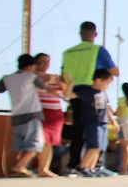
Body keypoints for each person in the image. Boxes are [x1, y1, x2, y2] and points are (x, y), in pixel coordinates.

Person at [61, 21, 119, 174]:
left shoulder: (68, 52)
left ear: (80, 33)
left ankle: (74, 166)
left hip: (74, 91)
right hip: (92, 90)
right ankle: (96, 166)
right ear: (95, 34)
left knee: (78, 130)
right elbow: (114, 71)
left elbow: (63, 74)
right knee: (97, 131)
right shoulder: (97, 50)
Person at [0, 54, 49, 177]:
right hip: (32, 114)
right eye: (34, 65)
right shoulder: (31, 77)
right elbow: (45, 88)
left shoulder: (7, 78)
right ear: (29, 66)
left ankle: (17, 169)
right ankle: (19, 166)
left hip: (17, 115)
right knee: (36, 143)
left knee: (20, 143)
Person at [34, 52, 73, 177]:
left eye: (48, 61)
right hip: (41, 111)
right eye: (43, 61)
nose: (45, 64)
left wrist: (70, 82)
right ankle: (34, 167)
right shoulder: (33, 77)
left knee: (50, 142)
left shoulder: (55, 78)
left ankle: (43, 168)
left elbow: (66, 95)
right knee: (40, 140)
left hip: (56, 113)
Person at [75, 69, 117, 177]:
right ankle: (83, 167)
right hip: (92, 122)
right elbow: (69, 94)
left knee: (100, 147)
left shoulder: (103, 93)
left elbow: (106, 108)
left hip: (103, 122)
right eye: (107, 83)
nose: (108, 86)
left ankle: (91, 168)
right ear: (98, 81)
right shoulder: (87, 91)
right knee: (94, 146)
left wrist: (113, 121)